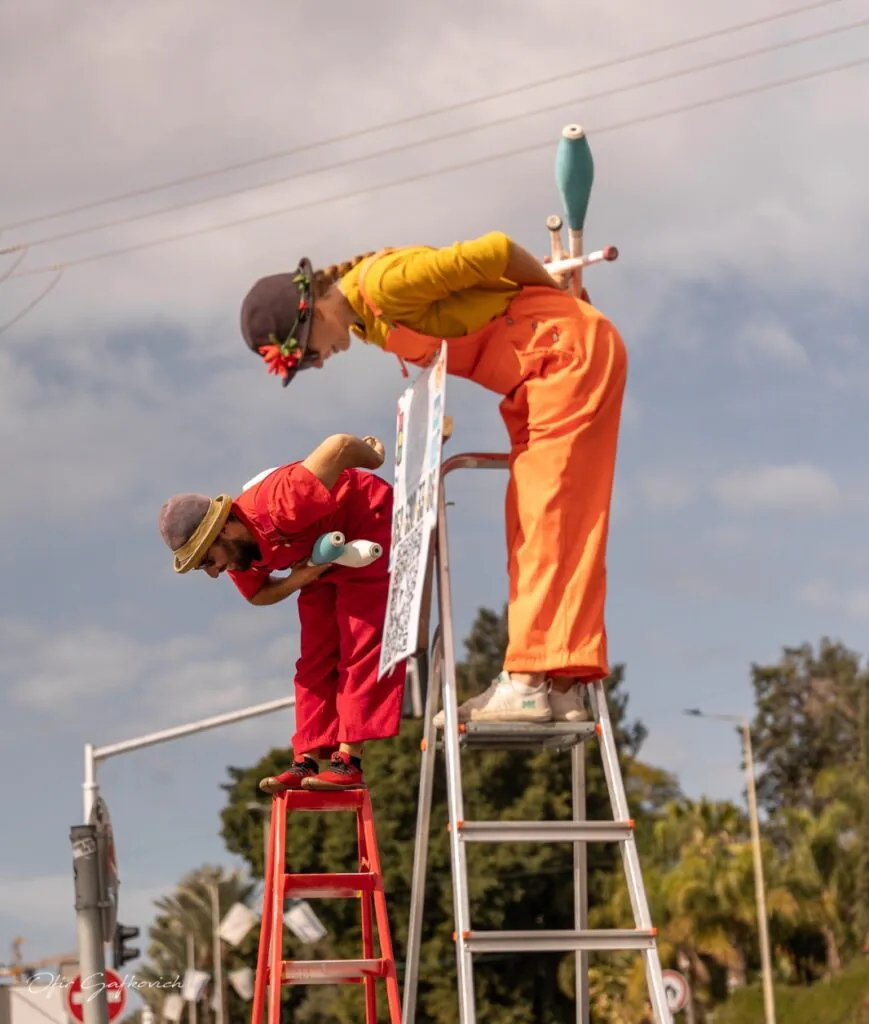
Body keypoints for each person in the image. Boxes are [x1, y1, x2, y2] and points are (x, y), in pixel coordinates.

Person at [237, 232, 627, 726]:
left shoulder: (382, 284)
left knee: (545, 528)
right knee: (554, 527)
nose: (317, 363)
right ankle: (563, 684)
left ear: (309, 314)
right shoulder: (371, 323)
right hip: (539, 378)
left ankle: (527, 680)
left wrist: (552, 293)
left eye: (306, 355)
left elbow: (497, 253)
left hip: (562, 361)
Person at [157, 432, 406, 790]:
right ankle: (307, 759)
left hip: (366, 518)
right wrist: (300, 577)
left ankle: (348, 761)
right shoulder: (240, 556)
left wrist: (373, 456)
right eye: (202, 568)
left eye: (208, 560)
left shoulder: (279, 503)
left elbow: (338, 446)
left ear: (225, 526)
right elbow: (258, 595)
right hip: (319, 556)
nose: (213, 572)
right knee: (315, 658)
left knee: (359, 639)